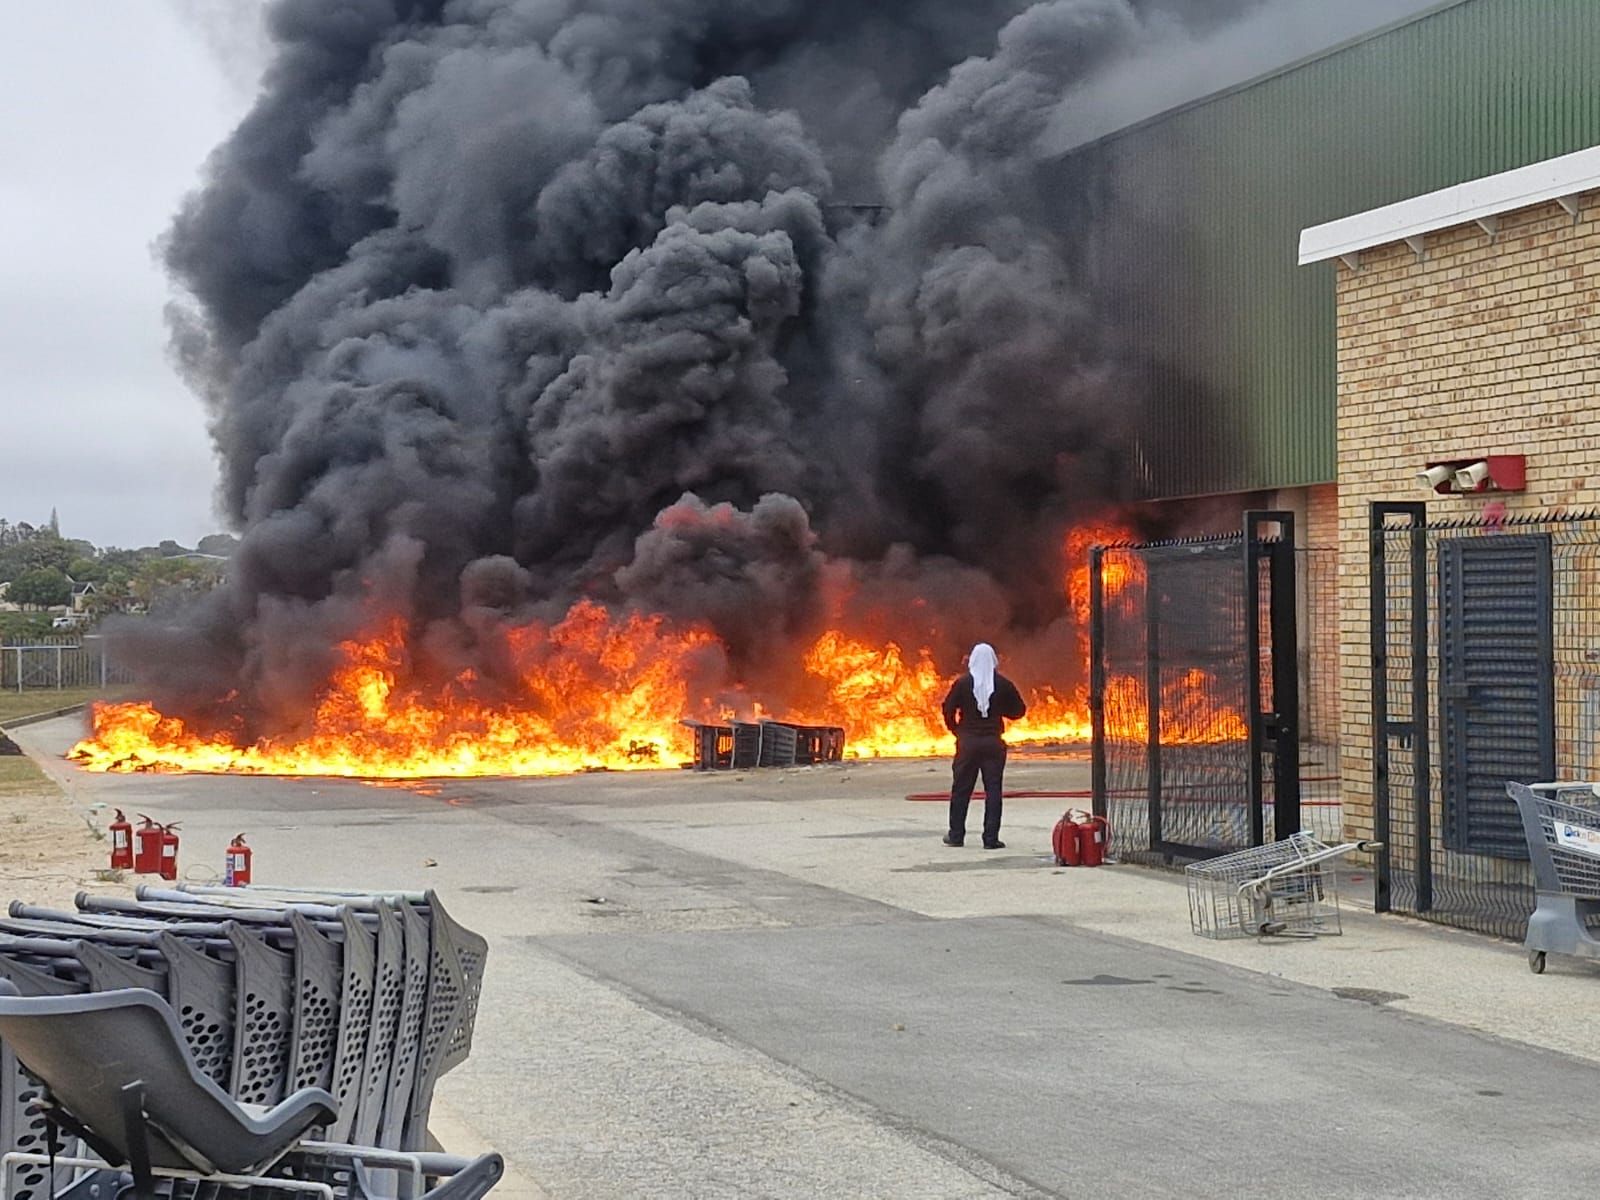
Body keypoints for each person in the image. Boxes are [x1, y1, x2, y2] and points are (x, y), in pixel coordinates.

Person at [940, 642, 1027, 849]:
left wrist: (957, 730)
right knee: (993, 790)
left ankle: (956, 835)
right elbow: (1019, 711)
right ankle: (990, 838)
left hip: (968, 744)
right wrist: (999, 709)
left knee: (961, 789)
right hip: (993, 743)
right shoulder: (1003, 684)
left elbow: (947, 708)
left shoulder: (962, 684)